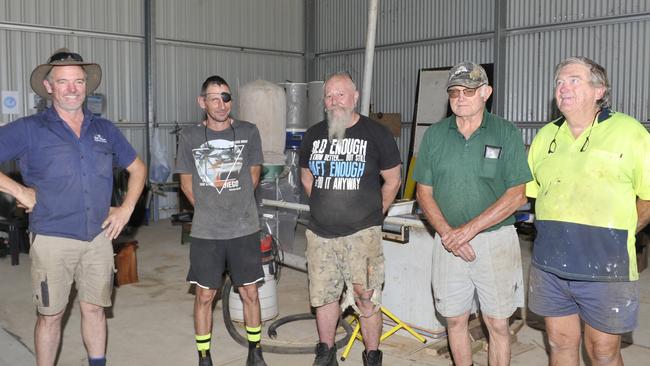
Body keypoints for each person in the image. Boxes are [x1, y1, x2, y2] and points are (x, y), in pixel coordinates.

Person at [0, 48, 146, 366]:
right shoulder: (30, 129)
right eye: (63, 81)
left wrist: (125, 209)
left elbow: (138, 168)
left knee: (94, 309)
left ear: (86, 86)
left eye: (78, 81)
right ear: (49, 86)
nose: (72, 88)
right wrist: (19, 191)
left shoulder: (104, 129)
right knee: (50, 316)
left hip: (98, 238)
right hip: (53, 239)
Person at [526, 56, 650, 366]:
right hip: (550, 265)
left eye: (573, 80)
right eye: (559, 82)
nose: (563, 88)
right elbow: (530, 195)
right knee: (559, 343)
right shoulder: (545, 137)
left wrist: (617, 237)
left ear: (599, 90)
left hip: (607, 268)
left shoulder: (629, 132)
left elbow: (648, 198)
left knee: (603, 352)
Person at [413, 62, 531, 366]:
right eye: (454, 91)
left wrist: (467, 231)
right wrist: (449, 234)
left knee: (497, 325)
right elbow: (423, 193)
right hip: (447, 242)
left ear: (486, 93)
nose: (460, 97)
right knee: (454, 321)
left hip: (495, 242)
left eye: (468, 91)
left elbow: (517, 195)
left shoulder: (505, 132)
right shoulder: (436, 135)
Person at [299, 72, 402, 366]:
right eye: (329, 96)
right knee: (324, 297)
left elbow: (393, 180)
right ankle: (326, 353)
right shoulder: (313, 135)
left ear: (355, 97)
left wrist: (375, 213)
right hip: (320, 235)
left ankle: (372, 356)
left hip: (362, 236)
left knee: (366, 298)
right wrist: (325, 204)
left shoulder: (377, 133)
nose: (334, 102)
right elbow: (307, 177)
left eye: (340, 95)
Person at [175, 75, 267, 366]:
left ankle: (255, 350)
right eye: (213, 98)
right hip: (207, 230)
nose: (221, 104)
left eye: (225, 97)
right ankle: (204, 355)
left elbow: (253, 175)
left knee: (249, 292)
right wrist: (209, 209)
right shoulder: (189, 137)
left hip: (243, 227)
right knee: (205, 295)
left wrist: (235, 207)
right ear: (202, 102)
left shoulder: (249, 132)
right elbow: (186, 183)